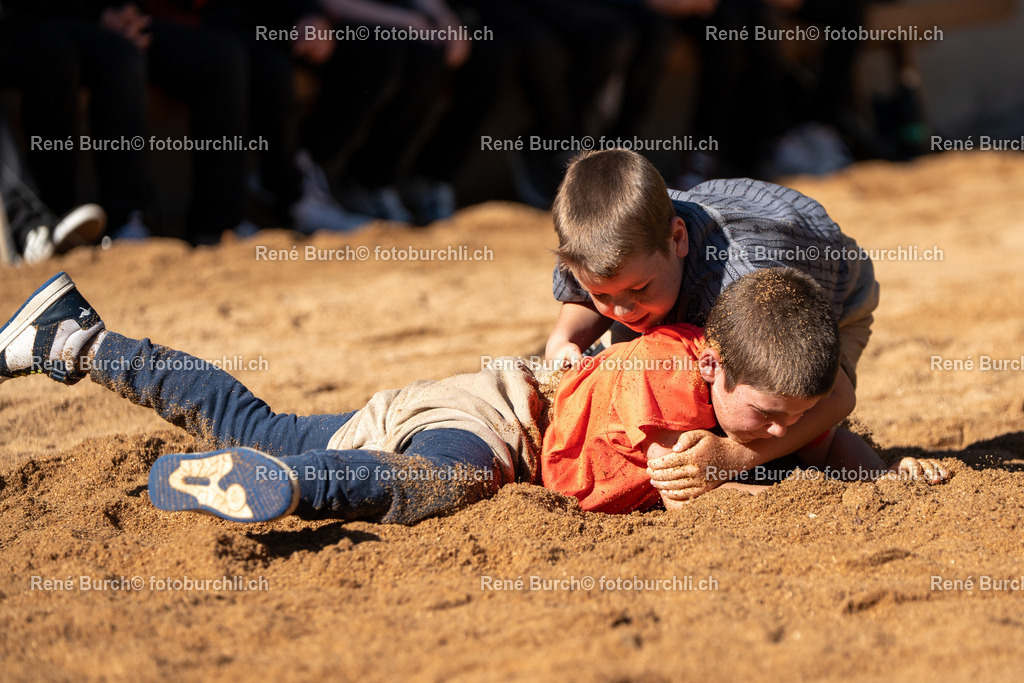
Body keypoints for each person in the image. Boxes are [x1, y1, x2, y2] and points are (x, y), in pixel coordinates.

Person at [0, 269, 944, 524]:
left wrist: (887, 468)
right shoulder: (660, 381)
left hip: (460, 392)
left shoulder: (762, 395)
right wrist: (703, 470)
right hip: (501, 418)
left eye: (793, 415)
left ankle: (75, 338)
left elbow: (823, 435)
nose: (777, 430)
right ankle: (289, 485)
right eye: (761, 414)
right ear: (715, 369)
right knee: (449, 488)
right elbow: (607, 479)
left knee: (256, 418)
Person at [544, 147, 880, 498]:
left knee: (784, 407)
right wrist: (564, 339)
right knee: (637, 375)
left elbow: (838, 396)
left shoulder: (744, 279)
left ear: (677, 239)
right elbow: (585, 295)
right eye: (603, 295)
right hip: (701, 283)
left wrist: (730, 456)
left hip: (831, 292)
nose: (624, 311)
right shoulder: (595, 242)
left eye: (638, 288)